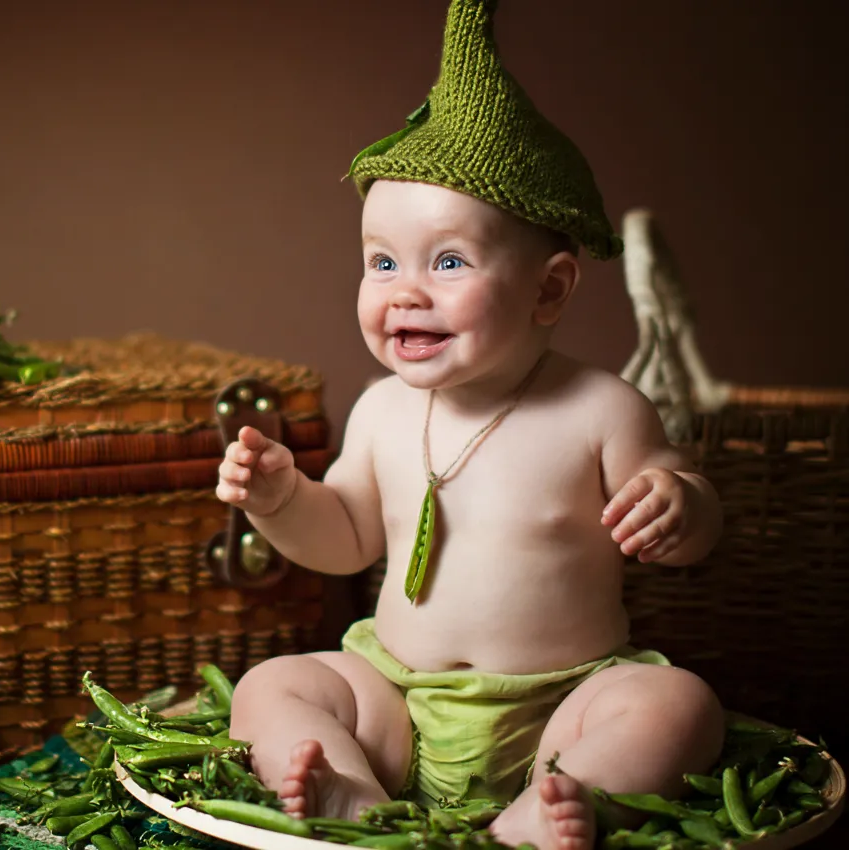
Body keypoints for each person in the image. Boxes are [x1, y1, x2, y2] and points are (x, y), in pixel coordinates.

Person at [216, 2, 725, 848]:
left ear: (550, 290)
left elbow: (699, 513)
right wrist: (279, 500)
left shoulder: (600, 409)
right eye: (382, 261)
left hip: (563, 705)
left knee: (679, 709)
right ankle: (353, 793)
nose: (404, 291)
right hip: (396, 701)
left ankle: (556, 806)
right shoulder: (382, 409)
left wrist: (679, 502)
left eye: (448, 262)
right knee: (270, 687)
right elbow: (344, 539)